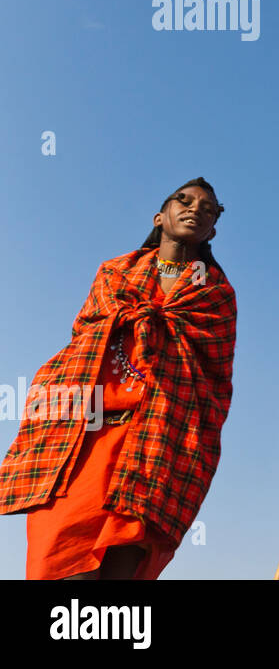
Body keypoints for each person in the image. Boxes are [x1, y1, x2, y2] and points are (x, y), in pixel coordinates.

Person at [0, 178, 236, 579]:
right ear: (160, 217)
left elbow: (214, 383)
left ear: (212, 229)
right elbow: (83, 340)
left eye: (208, 208)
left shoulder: (215, 294)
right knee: (60, 563)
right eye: (184, 200)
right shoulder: (114, 273)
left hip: (157, 445)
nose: (195, 208)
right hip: (83, 440)